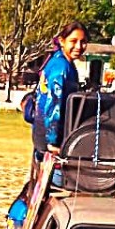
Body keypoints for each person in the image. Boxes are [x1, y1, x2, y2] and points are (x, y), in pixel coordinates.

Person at [30, 22, 89, 170]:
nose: (79, 46)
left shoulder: (64, 62)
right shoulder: (60, 67)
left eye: (83, 42)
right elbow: (54, 103)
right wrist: (53, 141)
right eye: (73, 41)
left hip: (45, 129)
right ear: (62, 41)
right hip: (49, 132)